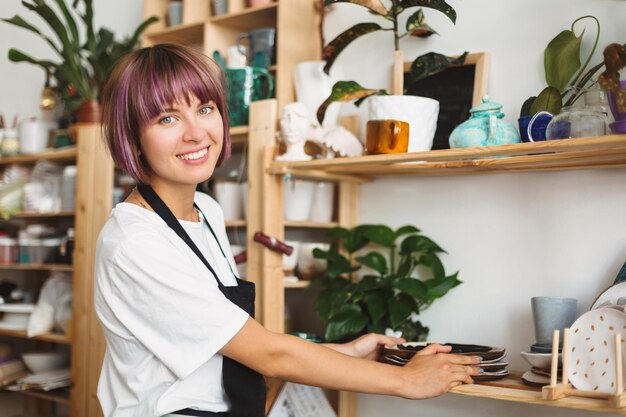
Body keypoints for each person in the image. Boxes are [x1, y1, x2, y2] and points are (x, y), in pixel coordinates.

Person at [94, 44, 480, 417]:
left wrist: (345, 352)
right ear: (133, 138)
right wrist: (404, 381)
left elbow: (232, 342)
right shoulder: (135, 242)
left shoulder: (206, 212)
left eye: (205, 108)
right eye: (168, 118)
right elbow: (267, 354)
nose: (196, 133)